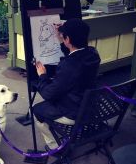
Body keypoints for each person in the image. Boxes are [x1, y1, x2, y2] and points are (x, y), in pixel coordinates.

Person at [33, 18, 101, 150]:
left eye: (64, 38)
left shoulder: (69, 65)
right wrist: (62, 37)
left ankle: (55, 147)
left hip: (74, 113)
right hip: (91, 107)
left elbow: (49, 94)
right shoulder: (93, 54)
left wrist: (42, 76)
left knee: (37, 110)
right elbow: (75, 55)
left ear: (68, 39)